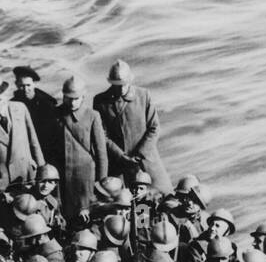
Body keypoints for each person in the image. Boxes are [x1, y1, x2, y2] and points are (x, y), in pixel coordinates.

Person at [93, 59, 172, 194]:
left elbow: (154, 127)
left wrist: (138, 155)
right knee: (120, 200)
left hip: (145, 159)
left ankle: (145, 214)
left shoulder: (143, 95)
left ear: (130, 81)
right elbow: (102, 135)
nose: (121, 88)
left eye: (124, 84)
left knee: (162, 195)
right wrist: (121, 156)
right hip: (118, 163)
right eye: (116, 85)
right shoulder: (100, 101)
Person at [47, 76, 109, 221]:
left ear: (83, 97)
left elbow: (101, 154)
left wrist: (102, 184)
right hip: (62, 177)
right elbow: (49, 149)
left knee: (87, 216)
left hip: (85, 178)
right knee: (65, 215)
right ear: (63, 96)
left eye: (76, 98)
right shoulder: (55, 114)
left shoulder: (92, 116)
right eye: (68, 98)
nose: (72, 102)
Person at [11, 66, 58, 148]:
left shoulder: (47, 103)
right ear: (16, 85)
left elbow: (52, 132)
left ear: (34, 84)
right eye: (22, 86)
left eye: (28, 85)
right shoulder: (12, 104)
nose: (26, 89)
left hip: (46, 145)